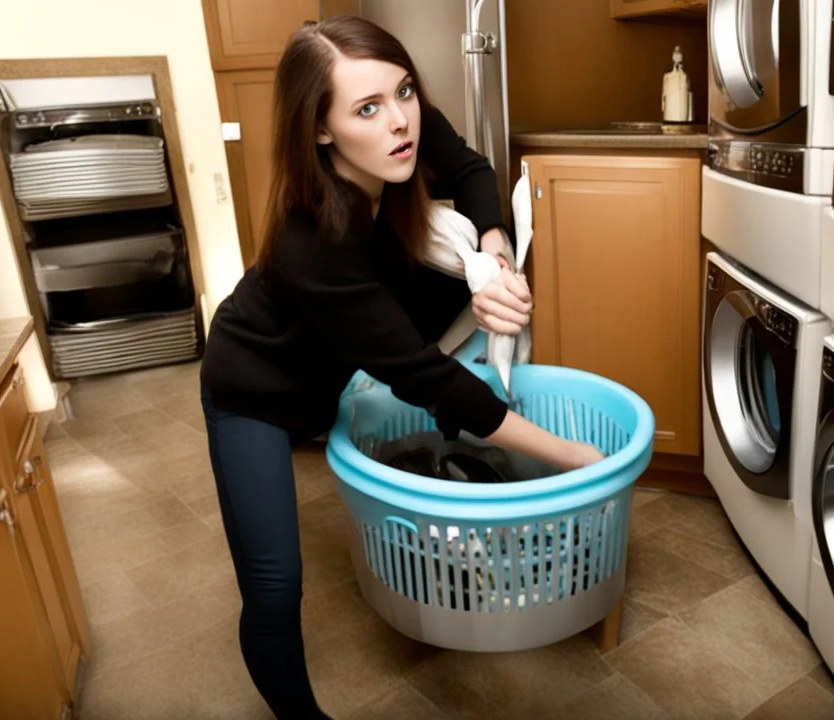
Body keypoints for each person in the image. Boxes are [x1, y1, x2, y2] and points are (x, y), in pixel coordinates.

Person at [198, 16, 603, 719]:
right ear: (321, 130)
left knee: (450, 267)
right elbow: (428, 382)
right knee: (272, 585)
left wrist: (493, 259)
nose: (399, 122)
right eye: (367, 108)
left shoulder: (406, 132)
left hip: (333, 362)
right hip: (253, 390)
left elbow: (474, 170)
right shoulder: (311, 244)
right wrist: (569, 454)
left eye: (404, 92)